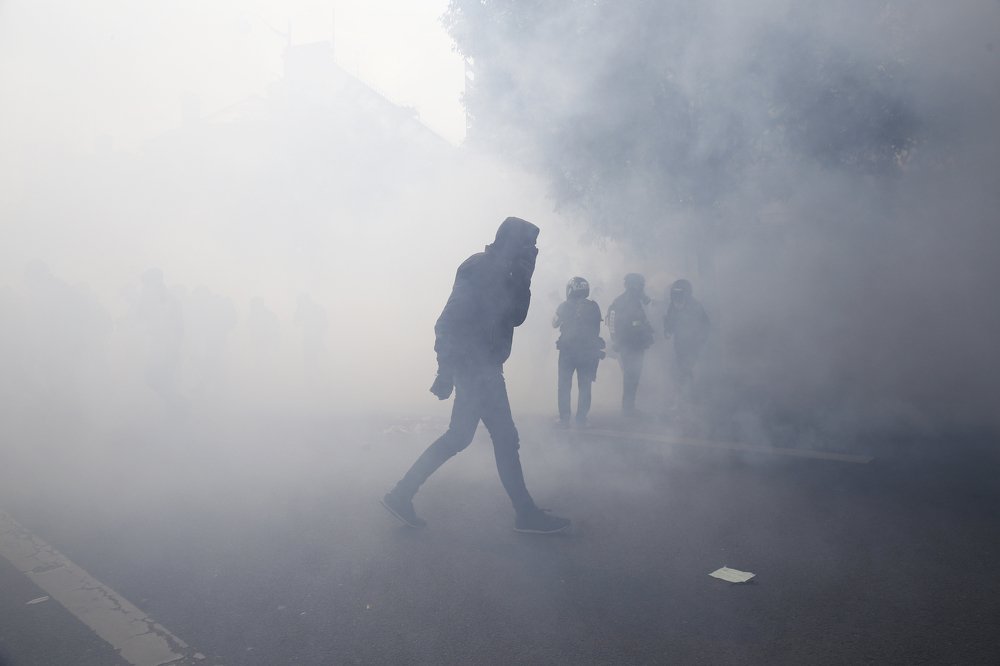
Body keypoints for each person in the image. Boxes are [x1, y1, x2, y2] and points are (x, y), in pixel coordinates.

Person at [381, 217, 571, 534]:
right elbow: (449, 320)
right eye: (527, 244)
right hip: (476, 366)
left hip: (482, 365)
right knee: (504, 438)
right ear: (512, 242)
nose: (532, 250)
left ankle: (401, 494)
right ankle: (525, 514)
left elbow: (515, 317)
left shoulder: (502, 270)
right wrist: (445, 368)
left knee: (460, 437)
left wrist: (523, 275)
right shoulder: (482, 268)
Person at [552, 277, 604, 427]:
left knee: (564, 385)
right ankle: (582, 418)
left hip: (568, 353)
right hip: (588, 352)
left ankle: (564, 418)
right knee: (585, 385)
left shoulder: (564, 306)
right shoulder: (594, 306)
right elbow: (596, 328)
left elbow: (554, 323)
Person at [606, 273, 654, 416]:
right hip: (628, 345)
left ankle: (630, 406)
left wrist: (647, 328)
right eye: (640, 285)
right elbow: (612, 323)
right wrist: (616, 341)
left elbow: (639, 320)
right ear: (633, 285)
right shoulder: (620, 302)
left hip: (637, 344)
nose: (642, 288)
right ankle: (627, 408)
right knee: (630, 376)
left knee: (634, 376)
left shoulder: (636, 300)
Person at [663, 278, 710, 399]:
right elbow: (669, 319)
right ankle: (685, 395)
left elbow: (705, 324)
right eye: (675, 293)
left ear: (687, 293)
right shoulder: (673, 305)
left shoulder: (695, 305)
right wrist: (667, 330)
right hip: (679, 342)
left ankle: (689, 395)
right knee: (681, 367)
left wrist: (700, 339)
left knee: (687, 367)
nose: (677, 296)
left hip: (693, 343)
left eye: (680, 293)